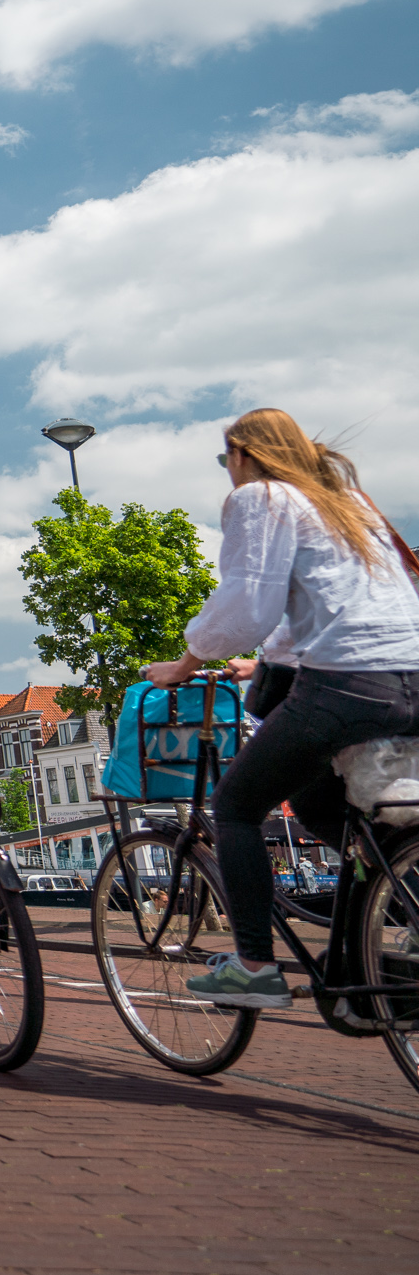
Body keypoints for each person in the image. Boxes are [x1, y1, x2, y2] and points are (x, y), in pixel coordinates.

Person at [137, 409, 419, 1010]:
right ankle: (363, 956)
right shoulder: (350, 502)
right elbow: (331, 606)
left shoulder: (263, 497)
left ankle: (254, 967)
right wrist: (261, 664)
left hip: (350, 684)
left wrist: (187, 663)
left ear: (243, 454)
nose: (228, 473)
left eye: (225, 461)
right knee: (343, 818)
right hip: (412, 678)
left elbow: (248, 604)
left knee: (236, 807)